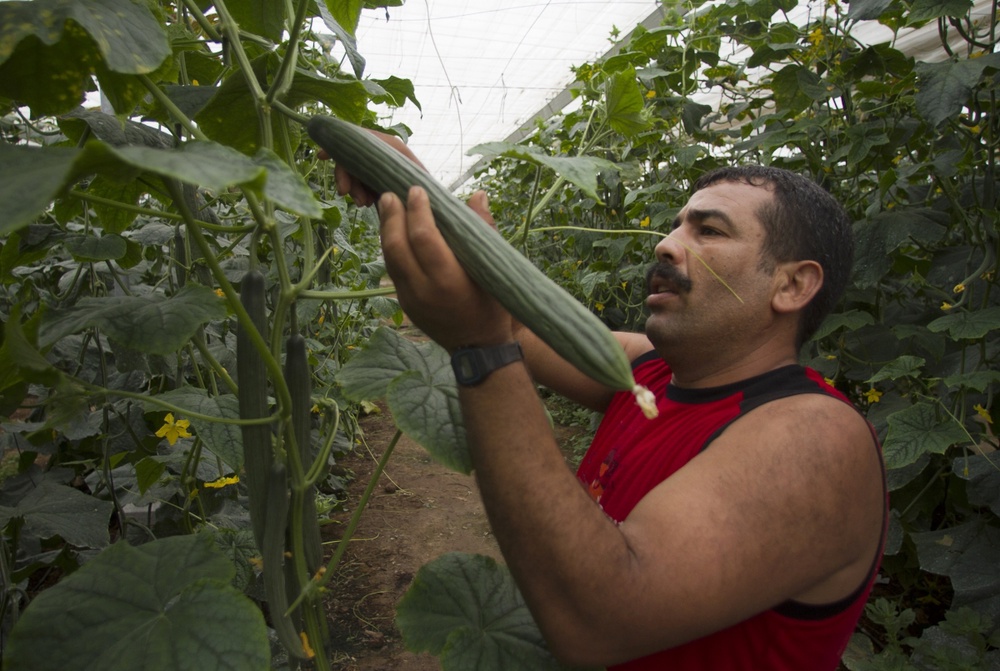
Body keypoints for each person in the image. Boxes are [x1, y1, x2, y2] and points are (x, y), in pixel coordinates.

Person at [334, 146, 887, 669]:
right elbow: (517, 322)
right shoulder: (652, 369)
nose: (667, 244)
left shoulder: (814, 437)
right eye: (678, 224)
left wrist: (479, 350)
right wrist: (411, 181)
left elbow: (596, 620)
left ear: (792, 285)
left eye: (709, 230)